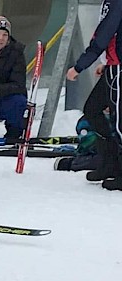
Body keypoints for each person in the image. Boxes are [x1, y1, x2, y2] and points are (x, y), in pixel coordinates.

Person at [66, 0, 122, 190]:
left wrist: (81, 65)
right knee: (93, 109)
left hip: (119, 66)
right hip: (113, 65)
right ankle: (110, 162)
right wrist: (106, 62)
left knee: (119, 122)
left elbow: (105, 32)